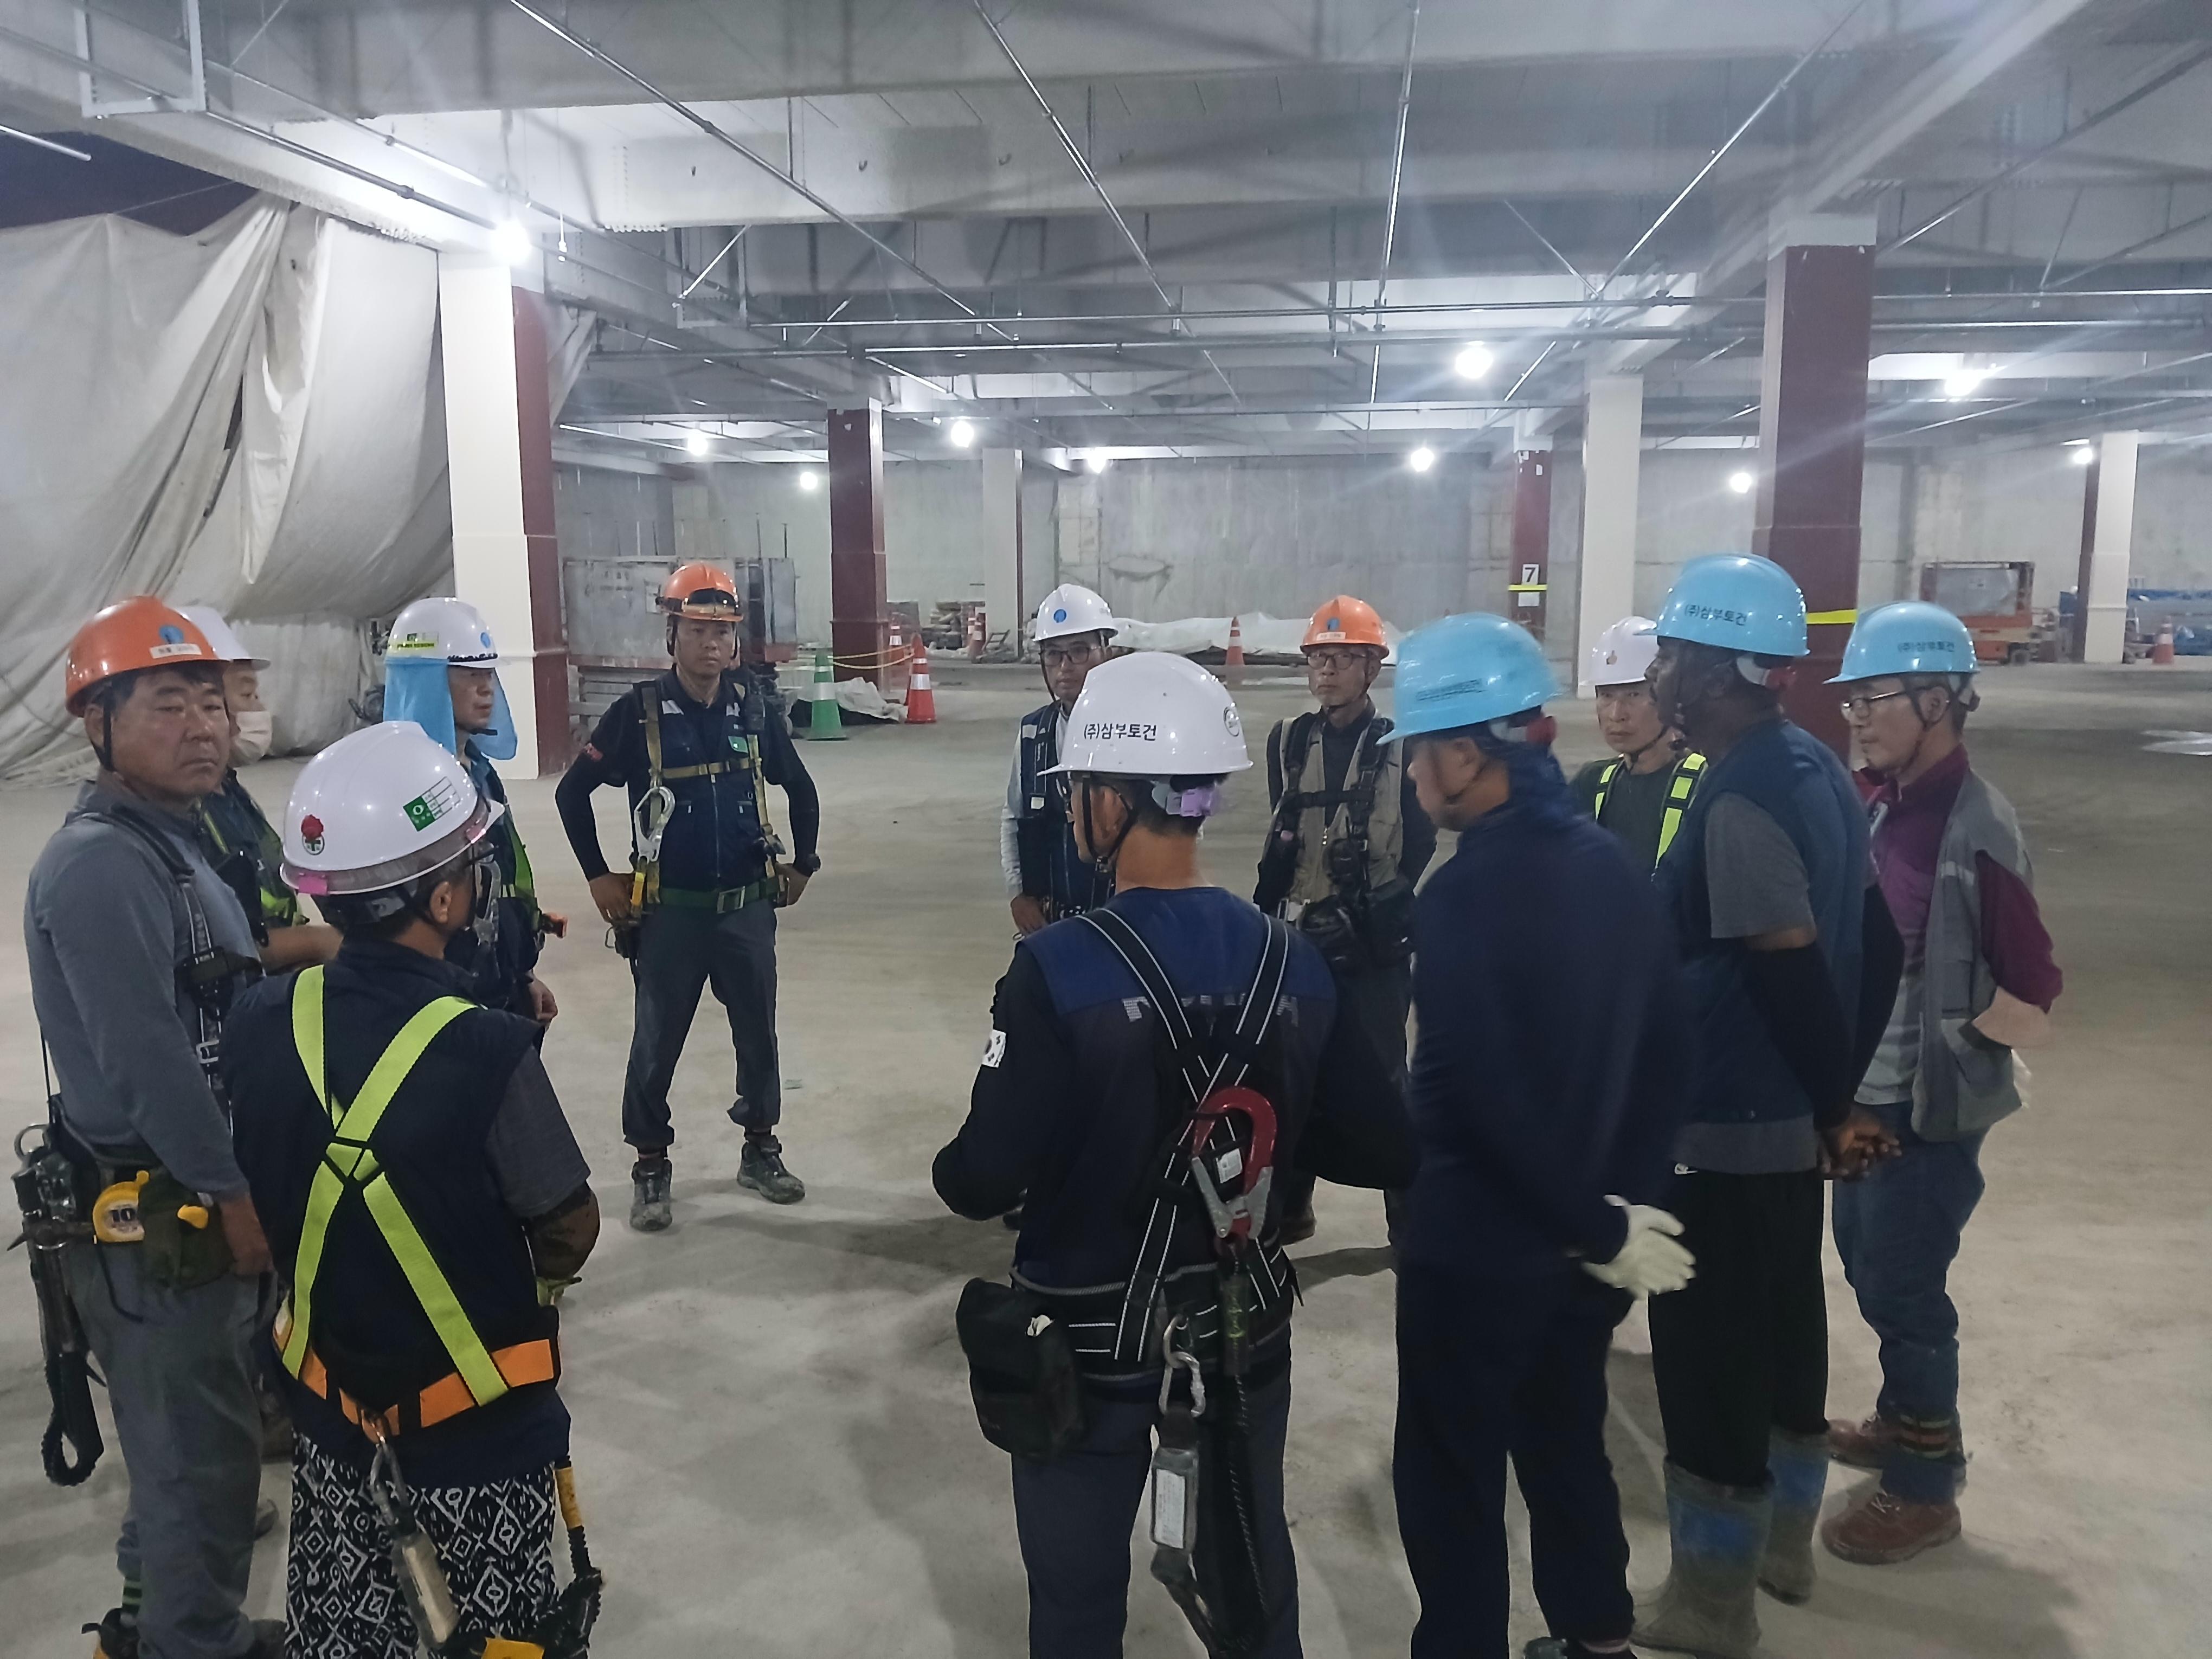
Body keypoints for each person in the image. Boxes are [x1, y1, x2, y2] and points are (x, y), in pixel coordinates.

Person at [933, 652, 1416, 1659]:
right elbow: (1385, 1146)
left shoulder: (1054, 970)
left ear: (1111, 802)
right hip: (1240, 1329)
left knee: (1076, 1605)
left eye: (1079, 788)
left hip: (1086, 1347)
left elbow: (981, 1179)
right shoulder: (1293, 959)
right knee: (1252, 1580)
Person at [223, 722, 600, 1657]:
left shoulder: (261, 1020)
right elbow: (568, 1223)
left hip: (331, 1425)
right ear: (441, 896)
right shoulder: (485, 1048)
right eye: (469, 871)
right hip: (475, 1445)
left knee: (346, 1635)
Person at [1383, 613, 1694, 1659]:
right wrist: (1621, 1218)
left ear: (1467, 755)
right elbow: (1667, 1058)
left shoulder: (1460, 896)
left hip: (1477, 1251)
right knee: (1566, 1447)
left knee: (1452, 1479)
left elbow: (1470, 1097)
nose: (1412, 775)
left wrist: (1587, 1221)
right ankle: (1598, 1640)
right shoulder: (1613, 869)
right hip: (1588, 1254)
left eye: (1417, 753)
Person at [1634, 555, 1901, 1659]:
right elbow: (1877, 940)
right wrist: (1830, 1096)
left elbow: (1786, 961)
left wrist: (1834, 1102)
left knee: (1709, 1365)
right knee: (1788, 1334)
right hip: (1783, 1123)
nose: (1657, 676)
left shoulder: (1742, 795)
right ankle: (1785, 1551)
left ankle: (1711, 1604)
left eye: (1670, 656)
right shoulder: (1815, 769)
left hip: (1725, 1130)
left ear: (1713, 670)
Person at [23, 597, 282, 1659]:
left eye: (211, 704)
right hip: (160, 1215)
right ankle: (193, 1640)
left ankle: (155, 1619)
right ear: (99, 724)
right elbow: (146, 1063)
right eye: (168, 705)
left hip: (184, 1198)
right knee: (198, 1466)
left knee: (185, 1449)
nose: (202, 727)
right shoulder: (100, 866)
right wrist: (233, 1192)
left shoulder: (171, 842)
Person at [1823, 601, 2061, 1565]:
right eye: (1852, 701)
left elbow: (2033, 979)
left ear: (1938, 699)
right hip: (1868, 1099)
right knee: (1867, 1264)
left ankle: (1926, 1489)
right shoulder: (1882, 802)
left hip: (1925, 1114)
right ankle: (1902, 1422)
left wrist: (1965, 1065)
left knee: (1907, 1287)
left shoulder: (1976, 823)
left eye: (1875, 698)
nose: (1858, 718)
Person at [556, 561, 821, 1231]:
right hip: (670, 913)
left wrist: (804, 864)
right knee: (656, 1044)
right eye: (698, 630)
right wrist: (598, 876)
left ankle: (760, 1149)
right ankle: (650, 1164)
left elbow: (799, 786)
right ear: (671, 635)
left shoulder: (753, 710)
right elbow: (571, 793)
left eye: (723, 631)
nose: (712, 643)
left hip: (746, 910)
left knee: (758, 1036)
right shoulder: (638, 714)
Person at [1253, 595, 1435, 1243]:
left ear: (1372, 668)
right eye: (1319, 659)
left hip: (1371, 948)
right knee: (1291, 1076)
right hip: (1300, 937)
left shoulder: (1402, 746)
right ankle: (1291, 1208)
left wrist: (1375, 913)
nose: (1327, 671)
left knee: (1386, 1081)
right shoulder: (1288, 742)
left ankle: (1410, 1223)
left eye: (1343, 659)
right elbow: (1286, 833)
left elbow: (1418, 843)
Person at [382, 597, 564, 1022]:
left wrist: (522, 975)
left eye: (488, 674)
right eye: (469, 675)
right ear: (426, 683)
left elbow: (498, 878)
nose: (487, 689)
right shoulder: (401, 786)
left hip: (501, 986)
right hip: (449, 1002)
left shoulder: (479, 770)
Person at [178, 607, 339, 975]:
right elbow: (220, 943)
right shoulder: (191, 817)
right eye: (248, 695)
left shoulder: (230, 793)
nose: (261, 710)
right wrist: (318, 942)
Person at [1002, 583, 1118, 936]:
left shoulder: (1135, 729)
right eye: (1053, 654)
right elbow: (1014, 816)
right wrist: (1018, 894)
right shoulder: (1033, 733)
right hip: (1052, 925)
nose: (1064, 667)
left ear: (1106, 652)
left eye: (1079, 651)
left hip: (1122, 924)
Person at [1570, 615, 1705, 871]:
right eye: (1606, 695)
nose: (1616, 714)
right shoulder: (1590, 784)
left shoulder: (1705, 786)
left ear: (1669, 695)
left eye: (1633, 694)